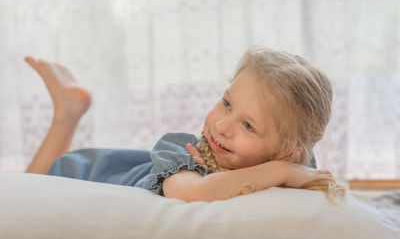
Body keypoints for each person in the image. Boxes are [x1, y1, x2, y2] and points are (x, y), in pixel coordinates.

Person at [25, 45, 341, 203]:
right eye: (227, 104)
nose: (222, 126)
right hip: (89, 172)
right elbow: (194, 193)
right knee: (21, 192)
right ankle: (67, 113)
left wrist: (287, 171)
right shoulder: (180, 149)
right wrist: (279, 171)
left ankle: (69, 109)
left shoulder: (298, 165)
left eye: (248, 126)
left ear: (287, 151)